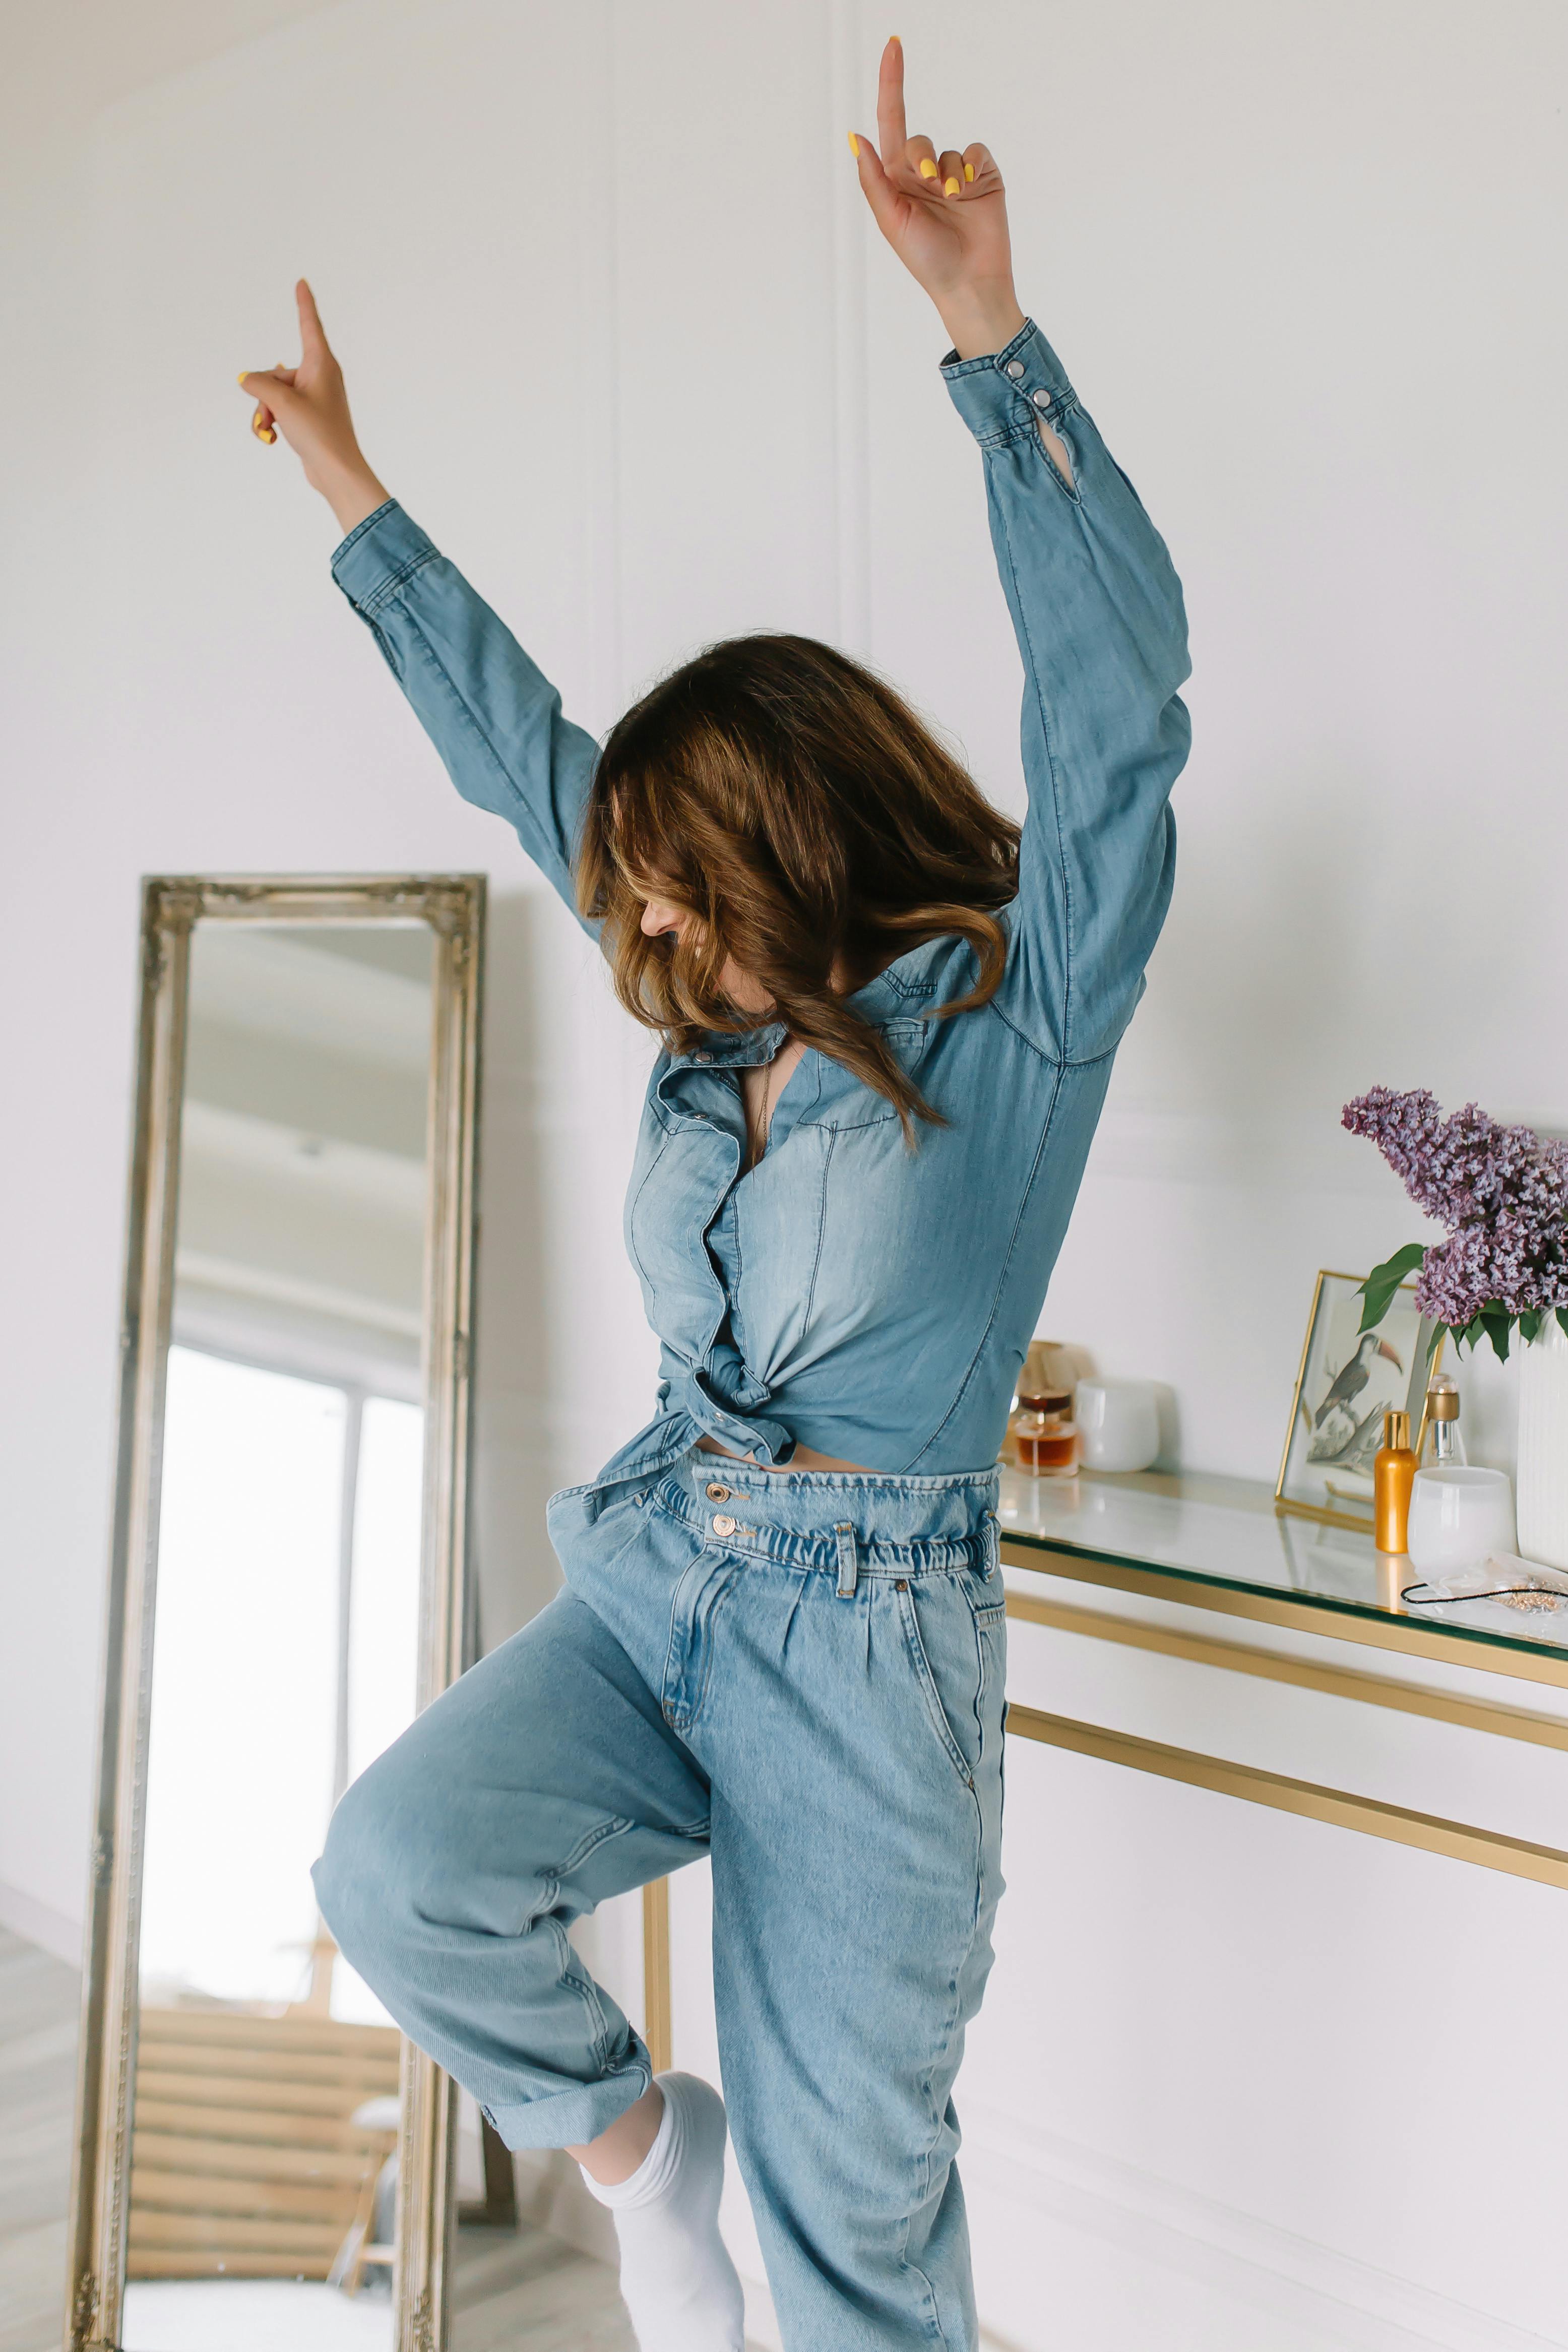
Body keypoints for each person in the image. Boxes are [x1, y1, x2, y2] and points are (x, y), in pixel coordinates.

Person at [241, 39, 1188, 2352]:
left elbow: (1119, 715)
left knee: (860, 2265)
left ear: (798, 835)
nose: (639, 945)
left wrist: (988, 335)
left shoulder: (1013, 1012)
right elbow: (523, 750)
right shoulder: (717, 1019)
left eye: (678, 900)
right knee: (402, 1868)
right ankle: (651, 2153)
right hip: (669, 1574)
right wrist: (355, 487)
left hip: (871, 1676)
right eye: (631, 911)